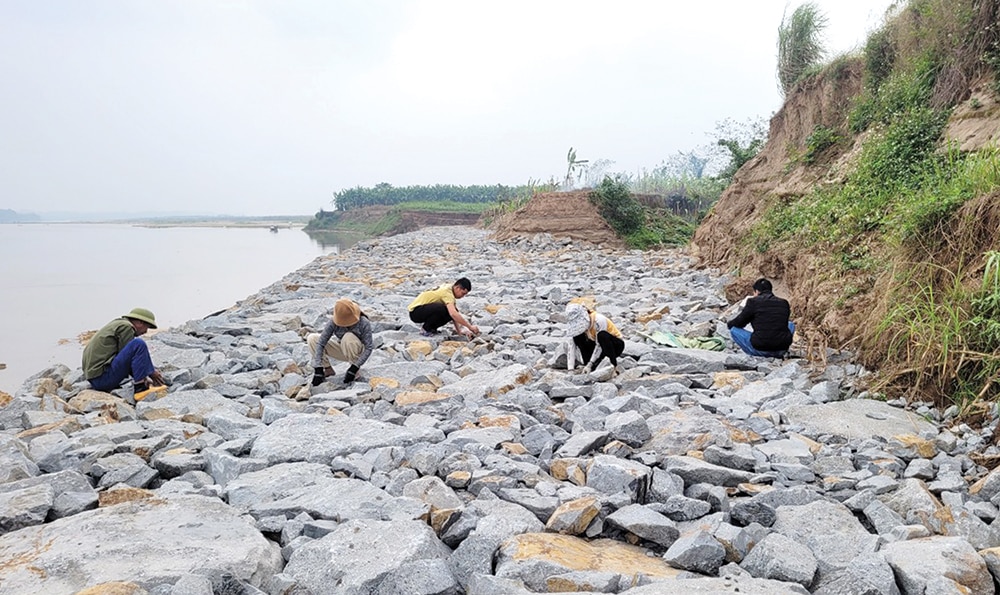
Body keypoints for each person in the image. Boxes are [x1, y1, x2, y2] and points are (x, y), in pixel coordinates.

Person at [82, 307, 166, 401]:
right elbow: (130, 356)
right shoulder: (126, 327)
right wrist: (151, 372)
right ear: (139, 322)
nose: (145, 332)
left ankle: (141, 382)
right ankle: (140, 389)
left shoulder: (117, 323)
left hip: (95, 379)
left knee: (136, 345)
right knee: (138, 344)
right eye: (146, 327)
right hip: (103, 380)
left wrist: (143, 375)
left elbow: (125, 357)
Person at [308, 298, 374, 386]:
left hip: (356, 352)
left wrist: (355, 367)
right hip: (342, 349)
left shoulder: (363, 322)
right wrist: (318, 368)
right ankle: (328, 369)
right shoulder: (333, 322)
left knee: (348, 337)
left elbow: (369, 347)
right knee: (312, 338)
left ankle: (355, 369)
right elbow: (321, 343)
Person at [726, 278, 795, 358]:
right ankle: (779, 352)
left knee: (734, 329)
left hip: (760, 348)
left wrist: (729, 324)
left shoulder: (753, 302)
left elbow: (740, 322)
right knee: (791, 324)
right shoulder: (784, 303)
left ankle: (755, 355)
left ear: (757, 291)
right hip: (781, 348)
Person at [563, 302, 625, 374]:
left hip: (613, 346)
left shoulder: (599, 320)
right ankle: (588, 365)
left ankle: (613, 366)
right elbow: (571, 347)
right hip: (595, 344)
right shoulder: (575, 329)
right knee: (578, 337)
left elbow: (599, 345)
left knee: (602, 335)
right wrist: (570, 370)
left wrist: (590, 363)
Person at [407, 277, 480, 337]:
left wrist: (459, 332)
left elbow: (454, 314)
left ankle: (432, 328)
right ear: (458, 288)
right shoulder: (447, 293)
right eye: (463, 293)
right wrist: (470, 327)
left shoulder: (450, 288)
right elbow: (453, 314)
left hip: (424, 310)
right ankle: (426, 329)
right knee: (442, 309)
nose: (462, 296)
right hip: (415, 311)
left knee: (449, 310)